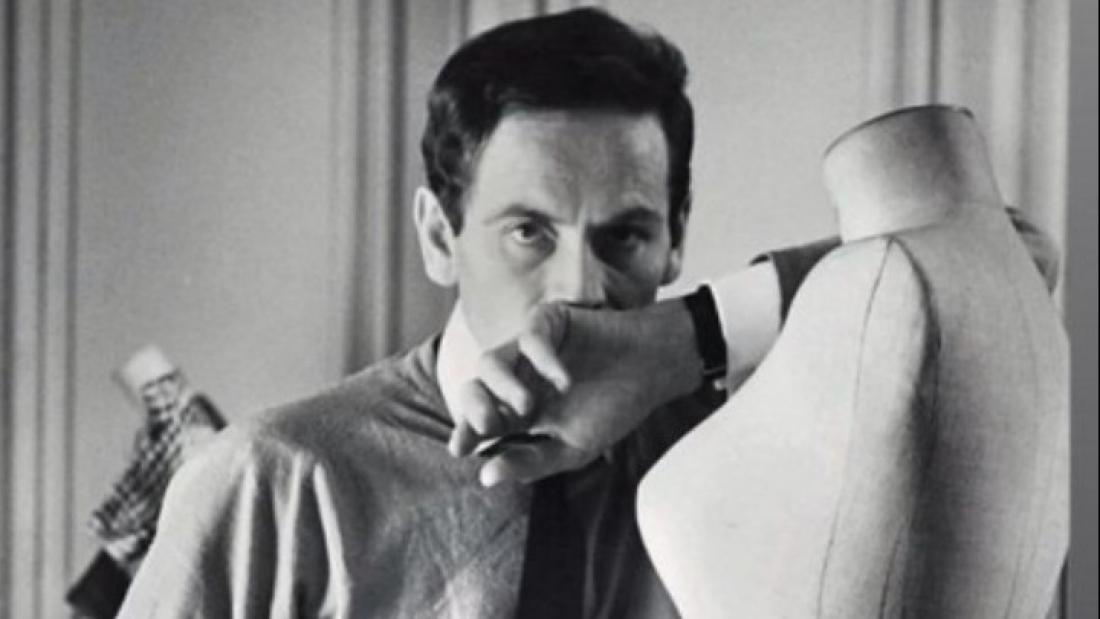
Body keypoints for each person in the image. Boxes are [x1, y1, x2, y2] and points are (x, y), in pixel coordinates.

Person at [118, 8, 1057, 618]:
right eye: (529, 232)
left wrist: (682, 339)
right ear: (439, 235)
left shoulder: (732, 436)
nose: (580, 288)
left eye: (624, 236)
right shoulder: (278, 480)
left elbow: (1009, 256)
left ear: (676, 238)